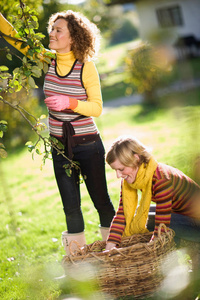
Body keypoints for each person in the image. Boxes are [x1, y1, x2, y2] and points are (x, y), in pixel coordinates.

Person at [0, 10, 115, 253]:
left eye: (57, 30)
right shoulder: (48, 58)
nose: (51, 33)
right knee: (70, 207)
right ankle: (77, 263)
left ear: (72, 37)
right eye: (52, 28)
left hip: (88, 144)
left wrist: (69, 102)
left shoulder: (86, 67)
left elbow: (97, 108)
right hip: (59, 146)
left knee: (101, 202)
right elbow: (17, 39)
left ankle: (116, 252)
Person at [105, 136, 200, 251]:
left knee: (147, 219)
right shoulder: (134, 177)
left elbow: (162, 223)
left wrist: (148, 249)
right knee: (138, 214)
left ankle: (171, 252)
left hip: (196, 223)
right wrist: (110, 244)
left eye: (121, 169)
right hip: (181, 214)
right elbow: (123, 213)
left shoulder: (161, 179)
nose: (118, 175)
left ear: (136, 159)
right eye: (115, 170)